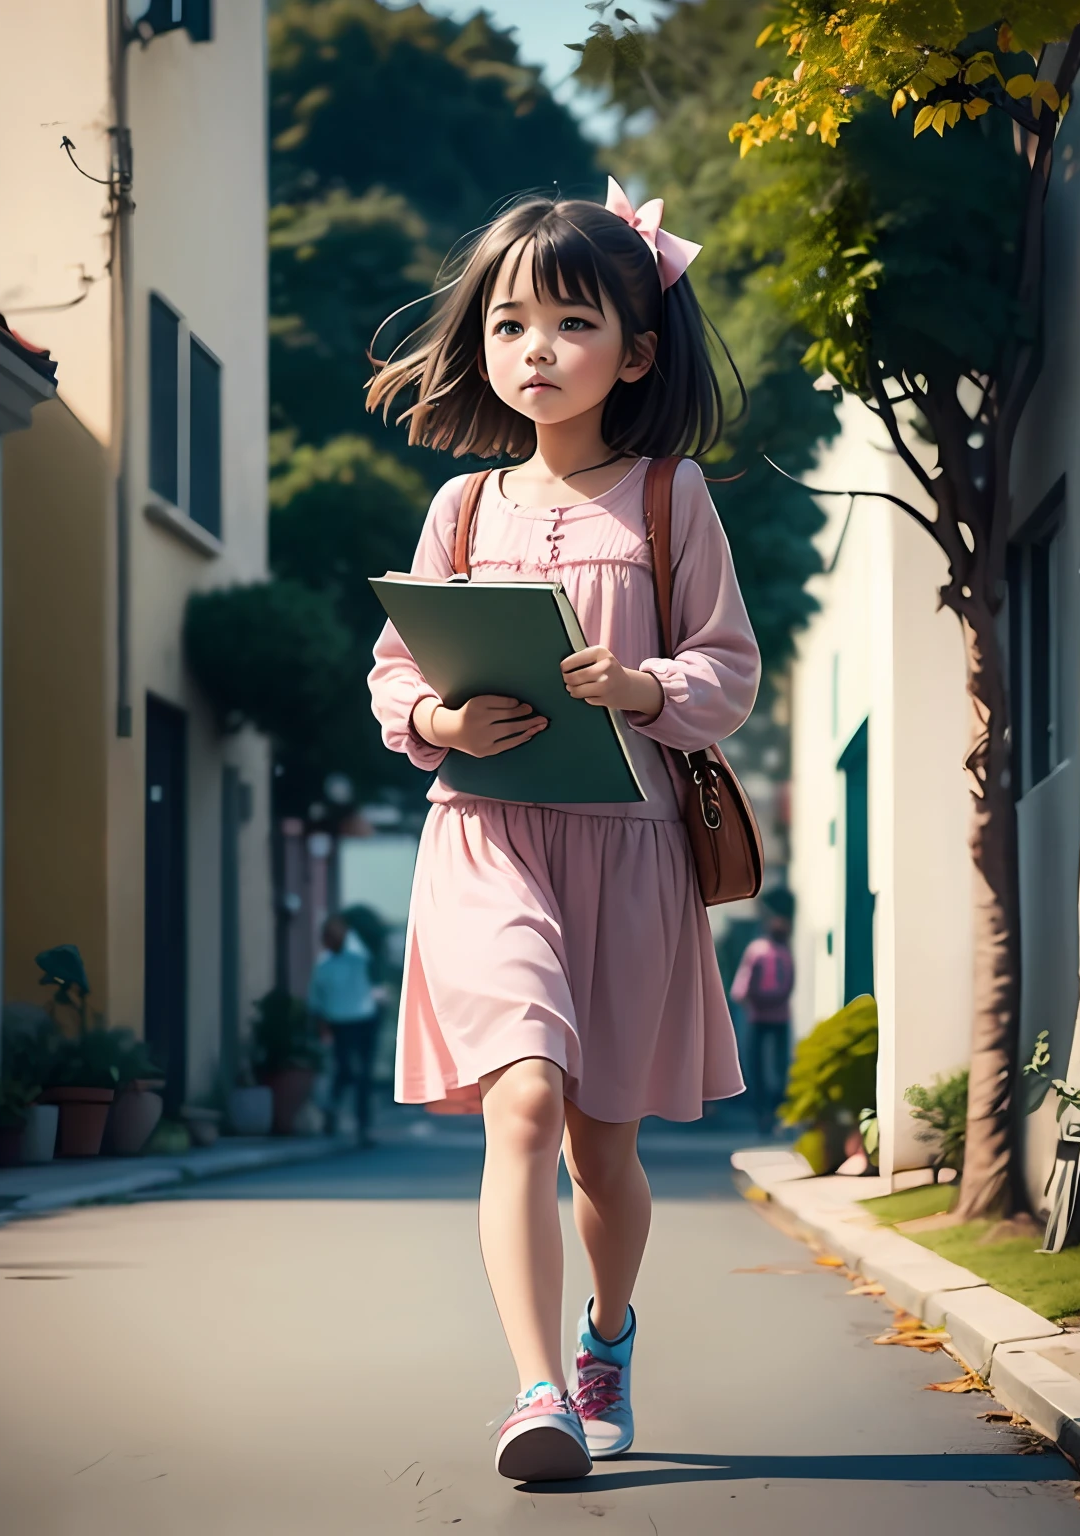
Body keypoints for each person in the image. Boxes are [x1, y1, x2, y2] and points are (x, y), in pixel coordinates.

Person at [366, 179, 758, 1482]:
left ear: (636, 351)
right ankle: (538, 1392)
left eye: (572, 323)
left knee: (605, 1144)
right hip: (486, 843)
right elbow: (390, 675)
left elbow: (729, 670)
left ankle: (605, 1337)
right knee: (521, 1102)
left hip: (630, 845)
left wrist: (641, 688)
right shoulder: (460, 513)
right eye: (510, 325)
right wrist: (439, 715)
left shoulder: (669, 498)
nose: (536, 351)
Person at [307, 915, 381, 1147]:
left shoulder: (358, 957)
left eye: (338, 933)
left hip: (364, 1020)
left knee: (364, 1075)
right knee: (345, 1070)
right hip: (340, 1023)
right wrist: (322, 1028)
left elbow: (365, 953)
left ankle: (363, 1127)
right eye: (329, 934)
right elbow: (316, 999)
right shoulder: (323, 965)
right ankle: (332, 1111)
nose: (334, 938)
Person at [730, 909, 796, 1136]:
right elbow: (791, 984)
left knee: (756, 1065)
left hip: (757, 1016)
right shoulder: (786, 953)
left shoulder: (756, 951)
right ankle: (778, 1111)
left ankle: (761, 1114)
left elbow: (741, 988)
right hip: (780, 1016)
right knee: (779, 1066)